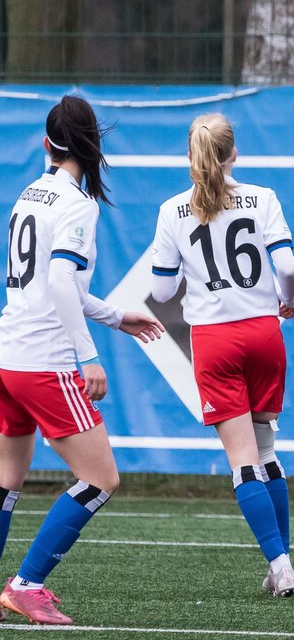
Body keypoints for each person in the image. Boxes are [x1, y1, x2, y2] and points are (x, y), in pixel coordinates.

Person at [0, 95, 165, 625]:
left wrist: (117, 317)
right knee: (101, 479)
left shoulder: (30, 194)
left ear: (46, 144)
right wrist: (88, 356)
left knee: (6, 480)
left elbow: (58, 284)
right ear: (94, 146)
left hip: (9, 355)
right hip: (45, 360)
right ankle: (26, 585)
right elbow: (58, 282)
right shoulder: (78, 203)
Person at [149, 113, 294, 597]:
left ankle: (280, 566)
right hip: (263, 332)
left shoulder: (173, 209)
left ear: (189, 157)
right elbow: (289, 268)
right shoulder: (264, 198)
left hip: (214, 341)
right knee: (268, 452)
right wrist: (289, 299)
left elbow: (159, 288)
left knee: (242, 462)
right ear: (234, 153)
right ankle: (284, 562)